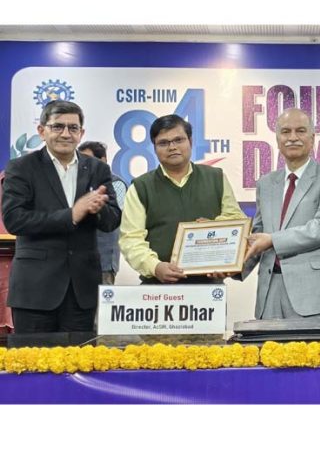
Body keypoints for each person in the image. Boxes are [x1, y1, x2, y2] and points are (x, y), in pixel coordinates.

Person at [1, 100, 121, 333]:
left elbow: (112, 221)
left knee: (80, 365)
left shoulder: (98, 169)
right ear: (41, 130)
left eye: (73, 128)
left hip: (82, 291)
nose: (66, 134)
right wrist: (72, 215)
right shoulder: (21, 167)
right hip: (34, 290)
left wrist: (98, 209)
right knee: (33, 366)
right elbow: (15, 219)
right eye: (58, 127)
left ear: (81, 133)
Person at [243, 108, 320, 328]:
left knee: (315, 359)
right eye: (285, 132)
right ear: (277, 139)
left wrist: (273, 240)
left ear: (312, 139)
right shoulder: (266, 182)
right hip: (270, 288)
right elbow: (258, 232)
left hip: (315, 292)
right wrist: (233, 264)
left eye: (300, 131)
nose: (292, 137)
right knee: (270, 358)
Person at [119, 114, 246, 284]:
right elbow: (131, 239)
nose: (172, 147)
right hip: (157, 288)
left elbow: (236, 220)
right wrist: (155, 267)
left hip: (209, 285)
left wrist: (213, 229)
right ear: (154, 148)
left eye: (179, 140)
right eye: (163, 143)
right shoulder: (140, 187)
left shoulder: (216, 177)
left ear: (190, 142)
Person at [78, 141, 128, 285]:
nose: (84, 164)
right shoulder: (80, 182)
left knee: (101, 306)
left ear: (103, 160)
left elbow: (113, 218)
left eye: (88, 159)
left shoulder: (117, 184)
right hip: (79, 259)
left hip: (103, 262)